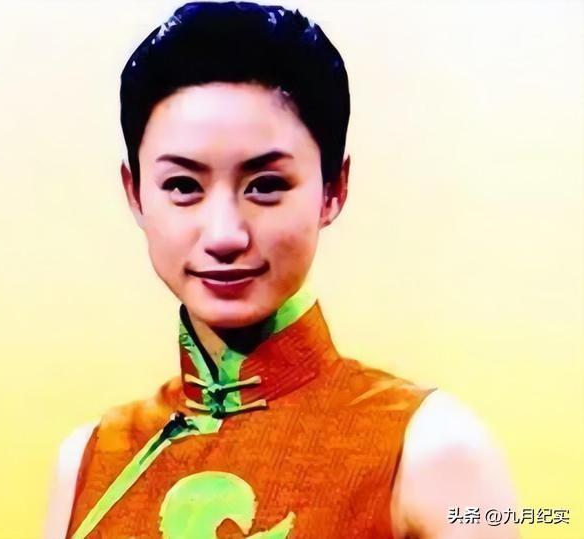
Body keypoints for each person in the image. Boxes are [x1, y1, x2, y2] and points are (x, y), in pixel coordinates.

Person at [44, 2, 518, 537]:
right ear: (135, 195)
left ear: (333, 189)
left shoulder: (434, 449)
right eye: (183, 186)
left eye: (266, 186)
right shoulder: (89, 461)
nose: (225, 235)